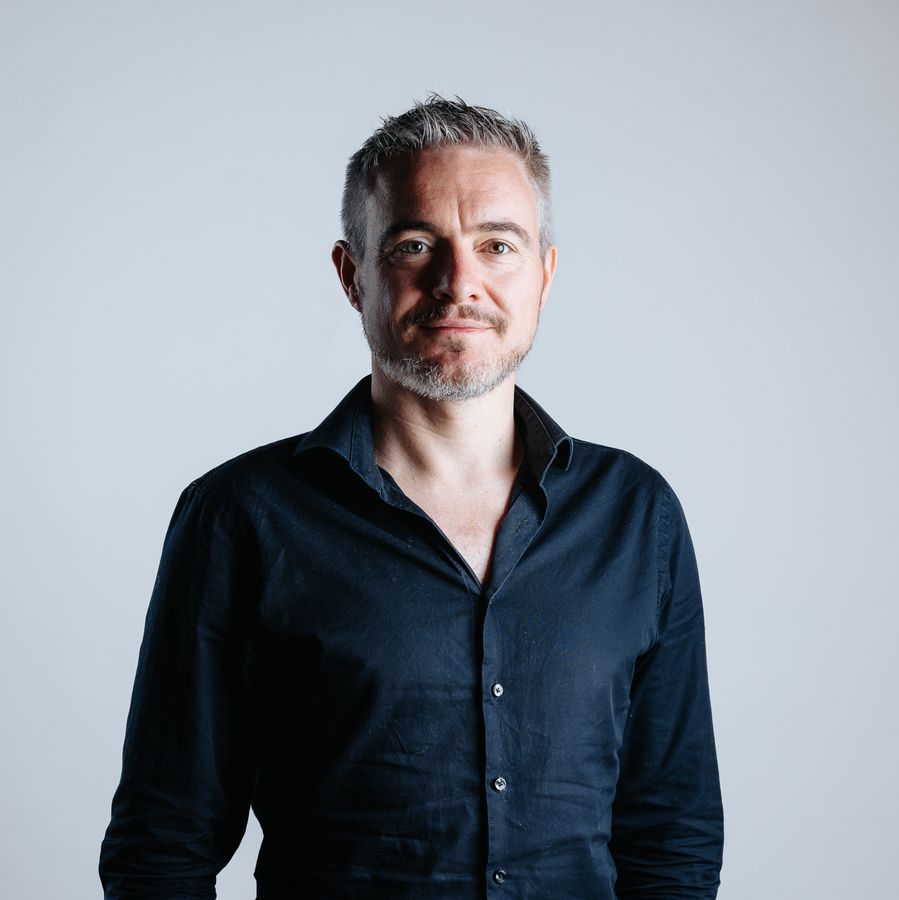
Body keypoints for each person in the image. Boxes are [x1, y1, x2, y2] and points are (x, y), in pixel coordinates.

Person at [100, 95, 724, 898]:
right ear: (352, 275)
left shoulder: (636, 516)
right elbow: (162, 846)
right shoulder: (239, 518)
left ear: (544, 275)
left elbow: (672, 836)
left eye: (497, 245)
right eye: (415, 245)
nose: (459, 283)